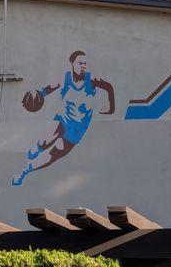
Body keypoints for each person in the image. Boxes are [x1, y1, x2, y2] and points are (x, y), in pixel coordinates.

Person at [11, 50, 115, 187]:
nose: (83, 66)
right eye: (80, 63)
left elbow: (109, 87)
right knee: (44, 141)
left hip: (77, 129)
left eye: (85, 63)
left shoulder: (91, 81)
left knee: (52, 157)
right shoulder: (64, 79)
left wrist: (111, 108)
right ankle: (37, 148)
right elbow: (46, 90)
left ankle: (25, 171)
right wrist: (35, 97)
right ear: (72, 63)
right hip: (63, 120)